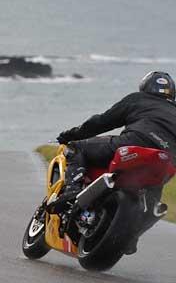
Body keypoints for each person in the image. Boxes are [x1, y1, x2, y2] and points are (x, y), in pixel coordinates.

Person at [49, 71, 176, 214]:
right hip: (168, 160)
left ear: (145, 86)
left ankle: (71, 193)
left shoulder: (138, 99)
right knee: (152, 208)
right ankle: (147, 215)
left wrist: (69, 135)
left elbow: (101, 122)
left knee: (76, 148)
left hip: (136, 143)